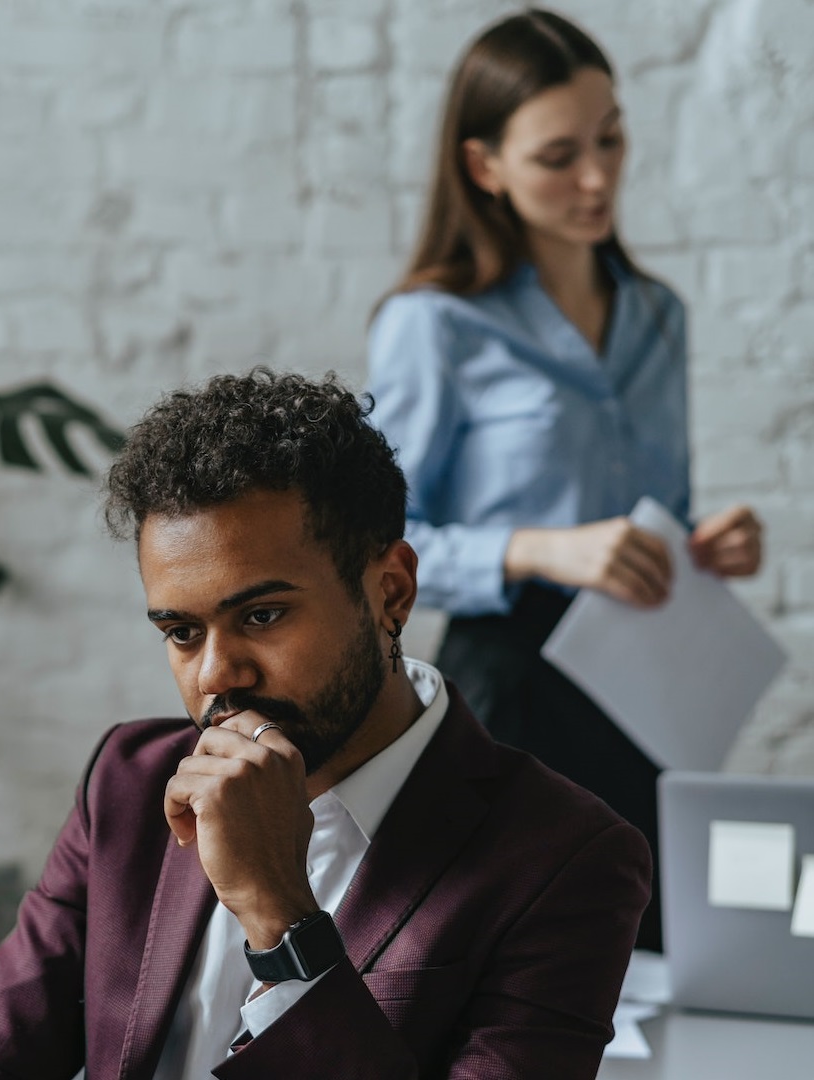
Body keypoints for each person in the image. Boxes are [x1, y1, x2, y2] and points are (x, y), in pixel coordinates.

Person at [0, 368, 650, 1080]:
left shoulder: (566, 858)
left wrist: (279, 916)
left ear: (391, 592)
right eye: (182, 633)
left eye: (261, 616)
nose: (216, 674)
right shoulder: (129, 783)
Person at [365, 8, 763, 953]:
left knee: (655, 951)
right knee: (519, 971)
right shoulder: (435, 325)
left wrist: (710, 539)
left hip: (645, 683)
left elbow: (655, 510)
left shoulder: (657, 315)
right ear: (484, 166)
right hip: (509, 694)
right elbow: (375, 542)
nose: (598, 177)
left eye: (611, 139)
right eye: (558, 156)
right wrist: (544, 548)